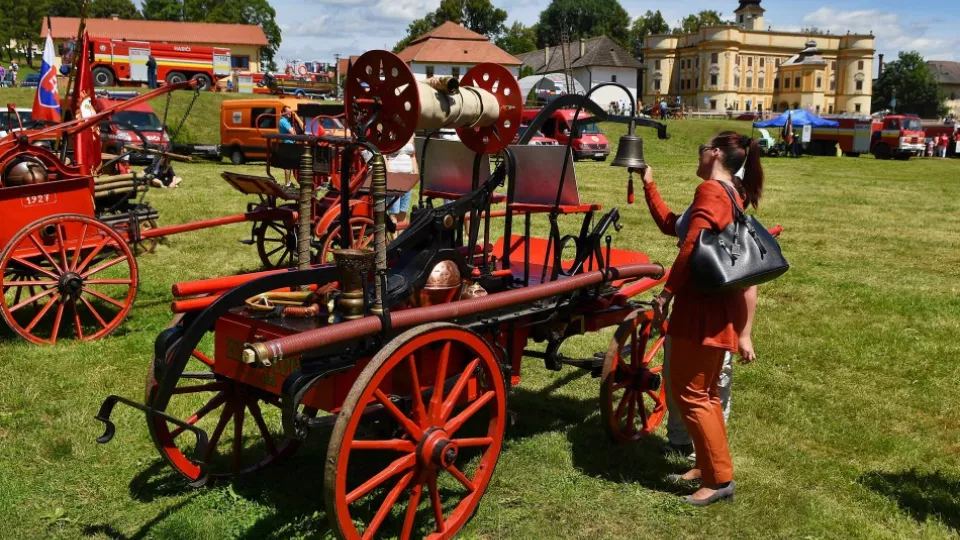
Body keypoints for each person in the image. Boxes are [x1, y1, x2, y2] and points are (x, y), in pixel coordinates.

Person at [635, 131, 765, 507]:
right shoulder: (732, 192)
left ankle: (719, 479)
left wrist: (665, 294)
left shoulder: (712, 191)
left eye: (700, 148)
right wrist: (649, 184)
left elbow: (691, 246)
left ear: (716, 153)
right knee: (703, 394)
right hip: (714, 308)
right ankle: (708, 467)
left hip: (700, 311)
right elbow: (675, 226)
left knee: (693, 394)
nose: (698, 154)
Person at [278, 105, 304, 187]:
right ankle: (287, 183)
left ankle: (288, 182)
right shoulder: (283, 121)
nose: (289, 113)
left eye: (290, 111)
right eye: (287, 112)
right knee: (288, 165)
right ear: (283, 113)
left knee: (290, 164)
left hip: (290, 143)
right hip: (288, 144)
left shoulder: (287, 121)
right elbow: (293, 133)